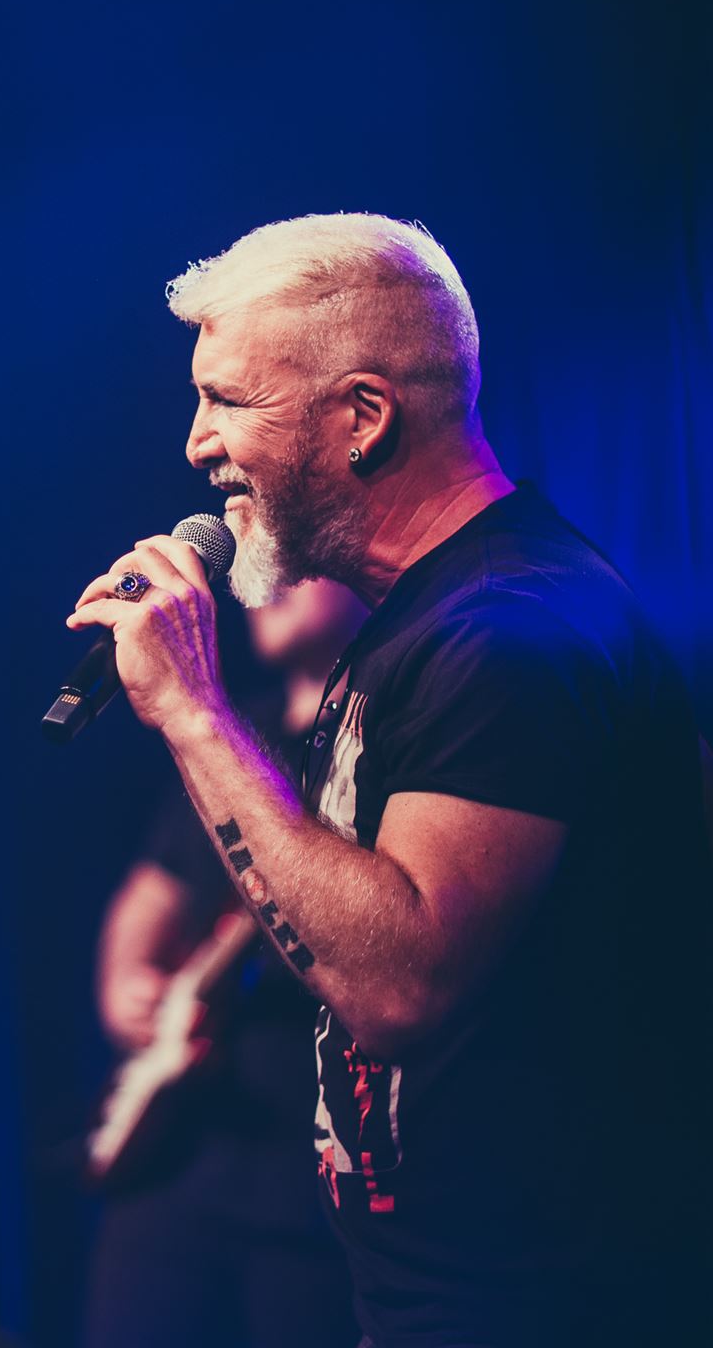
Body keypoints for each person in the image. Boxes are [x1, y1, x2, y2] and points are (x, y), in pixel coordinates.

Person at [65, 213, 712, 1348]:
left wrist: (190, 708)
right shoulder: (418, 624)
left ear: (362, 417)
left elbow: (399, 987)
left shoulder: (510, 627)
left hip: (546, 1307)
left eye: (227, 400)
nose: (196, 443)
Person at [84, 583, 367, 1348]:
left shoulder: (384, 737)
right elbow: (152, 890)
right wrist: (126, 985)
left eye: (292, 566)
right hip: (173, 1158)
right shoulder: (233, 734)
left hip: (308, 1183)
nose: (260, 586)